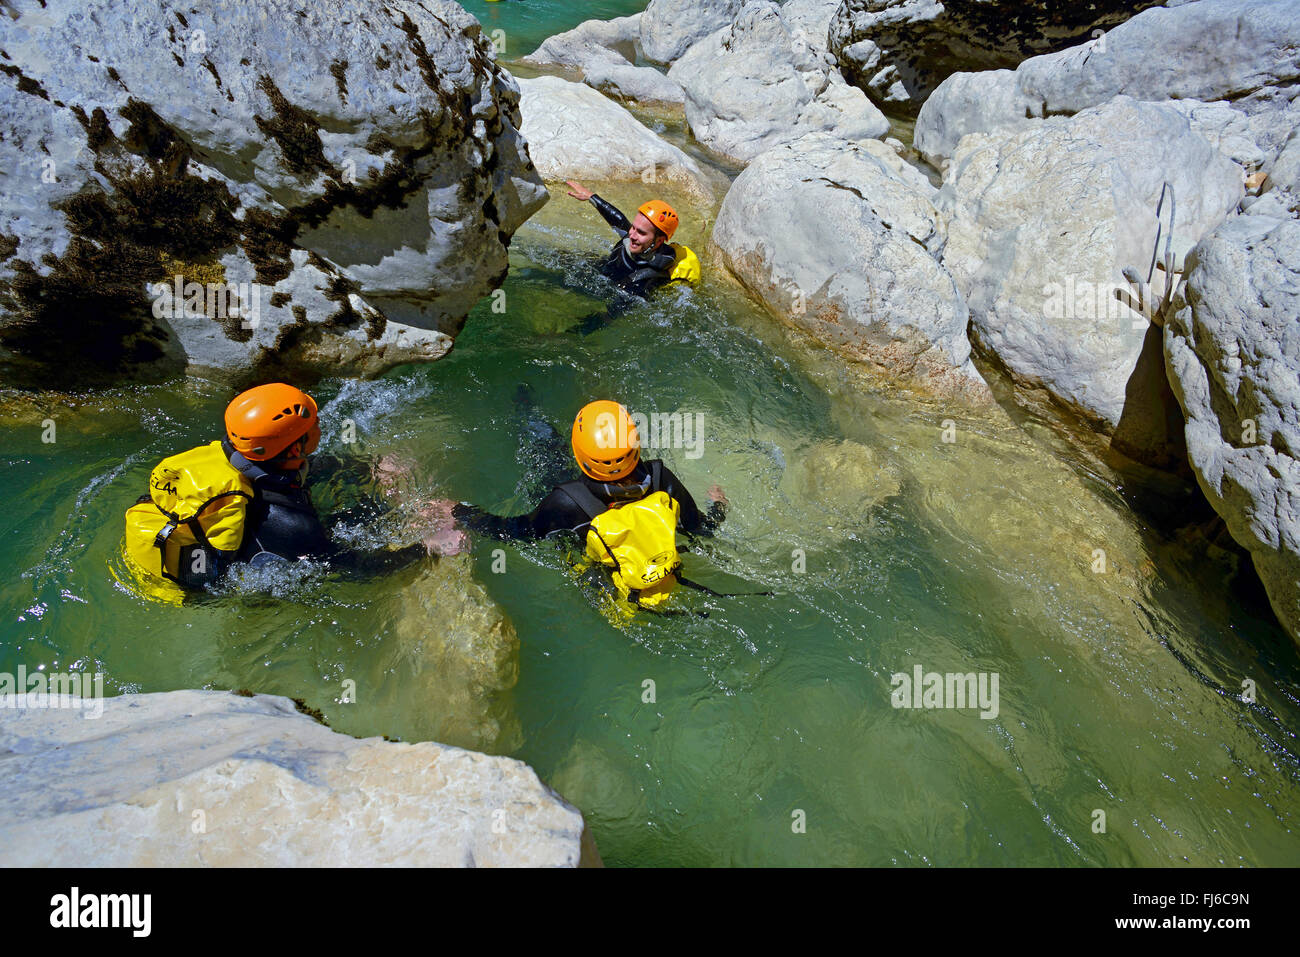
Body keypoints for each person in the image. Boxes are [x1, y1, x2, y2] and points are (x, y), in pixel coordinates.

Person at [123, 383, 447, 600]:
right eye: (311, 428)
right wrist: (427, 549)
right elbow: (361, 570)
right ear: (293, 450)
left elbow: (302, 468)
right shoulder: (289, 525)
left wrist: (368, 468)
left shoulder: (232, 453)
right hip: (205, 590)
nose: (319, 426)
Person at [450, 399, 726, 542]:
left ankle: (525, 412)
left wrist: (459, 511)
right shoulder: (658, 478)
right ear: (635, 446)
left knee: (546, 449)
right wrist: (719, 505)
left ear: (580, 455)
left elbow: (514, 532)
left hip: (599, 578)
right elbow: (701, 529)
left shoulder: (565, 502)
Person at [566, 181, 698, 300]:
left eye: (641, 232)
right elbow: (619, 220)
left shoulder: (646, 278)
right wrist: (591, 197)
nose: (632, 235)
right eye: (634, 228)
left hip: (614, 290)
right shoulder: (639, 241)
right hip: (604, 272)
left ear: (659, 241)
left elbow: (610, 315)